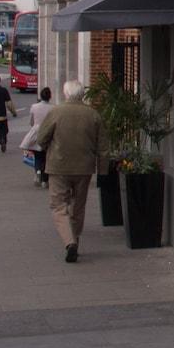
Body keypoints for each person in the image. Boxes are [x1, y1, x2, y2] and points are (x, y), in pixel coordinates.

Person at [31, 81, 106, 263]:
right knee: (78, 207)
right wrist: (102, 171)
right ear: (82, 95)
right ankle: (75, 240)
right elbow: (103, 146)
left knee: (58, 206)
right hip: (84, 168)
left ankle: (69, 241)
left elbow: (41, 138)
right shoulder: (93, 115)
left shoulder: (56, 112)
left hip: (59, 166)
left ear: (65, 94)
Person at [21, 86, 53, 186]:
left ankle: (38, 172)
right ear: (50, 97)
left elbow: (31, 122)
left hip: (36, 132)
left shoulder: (34, 107)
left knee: (37, 155)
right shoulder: (53, 108)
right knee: (46, 156)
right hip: (48, 132)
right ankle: (45, 180)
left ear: (40, 96)